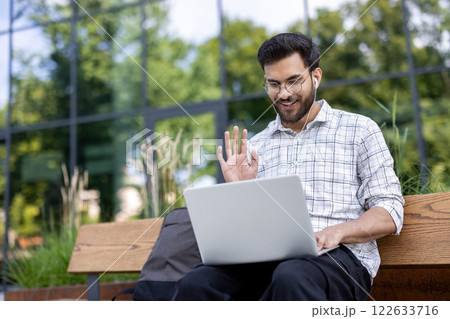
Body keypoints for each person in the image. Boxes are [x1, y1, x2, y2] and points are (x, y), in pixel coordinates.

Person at [172, 32, 404, 301]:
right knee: (196, 284)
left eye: (294, 81)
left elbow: (389, 210)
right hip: (266, 260)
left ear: (315, 77)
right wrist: (239, 190)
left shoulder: (359, 130)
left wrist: (337, 232)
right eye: (274, 84)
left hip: (340, 258)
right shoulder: (257, 146)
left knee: (291, 276)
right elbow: (250, 229)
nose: (284, 93)